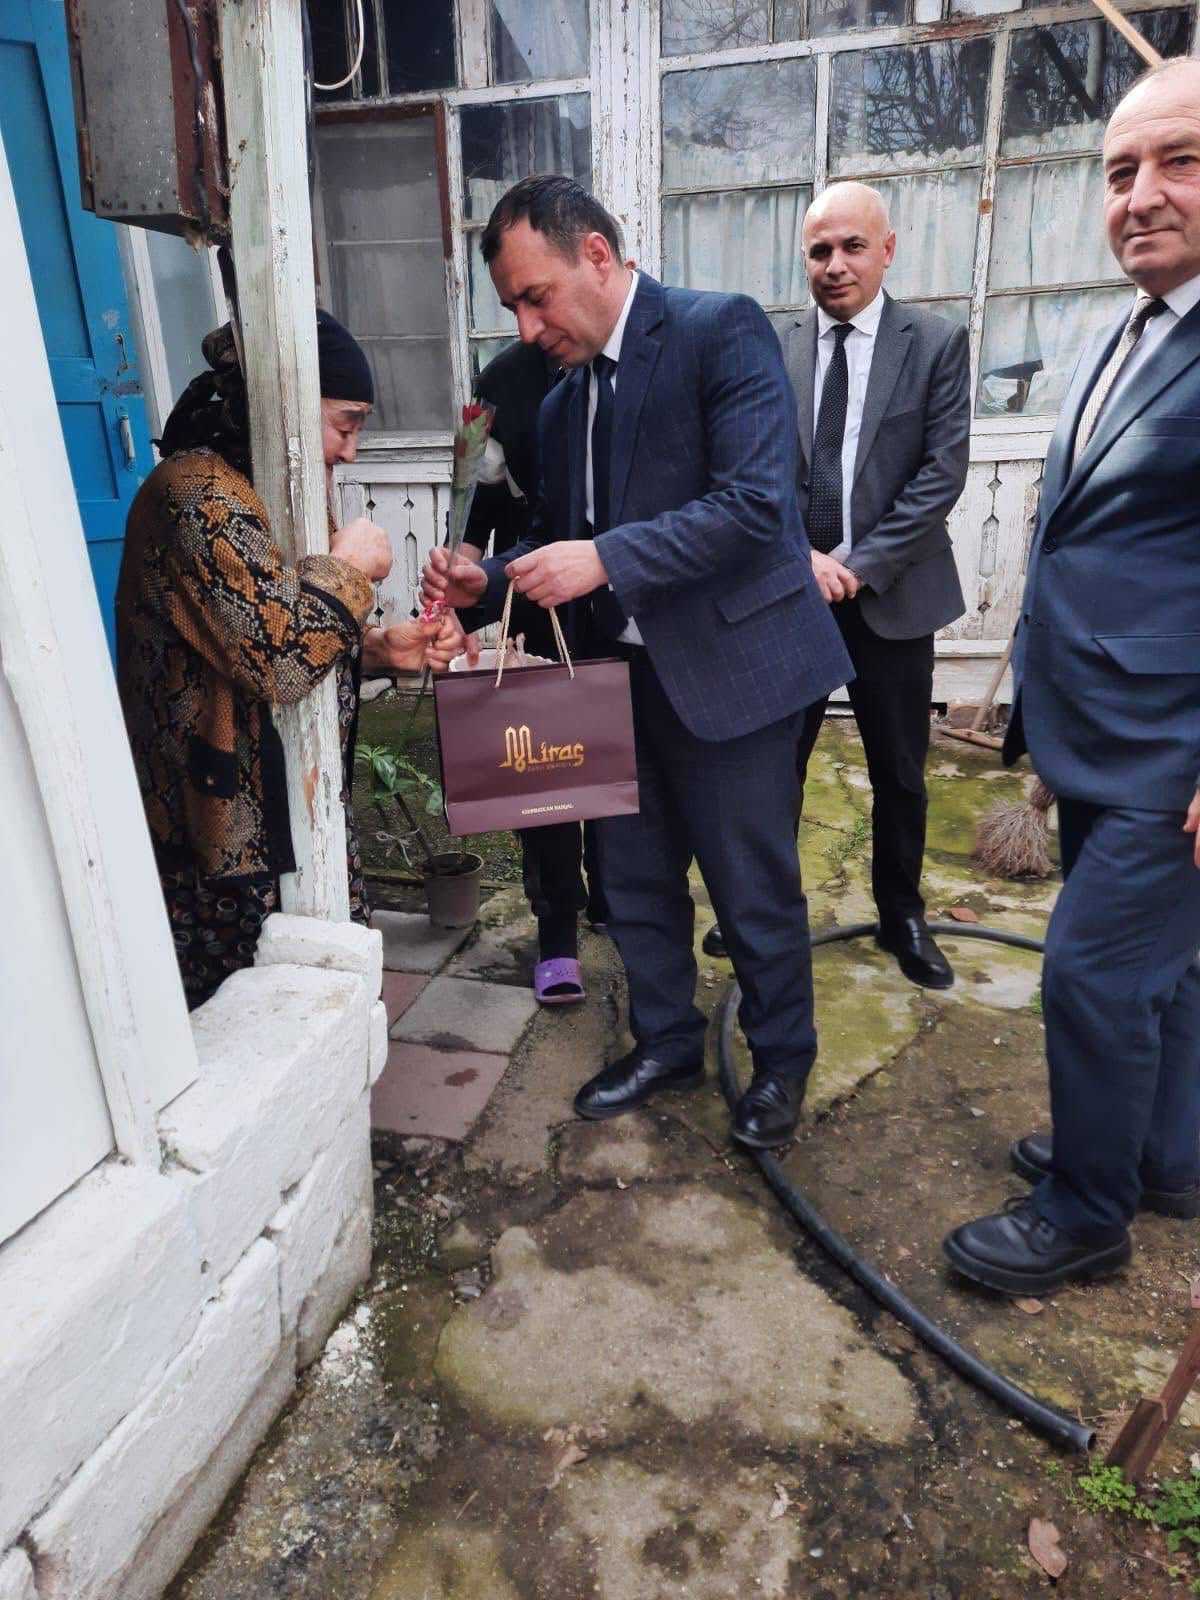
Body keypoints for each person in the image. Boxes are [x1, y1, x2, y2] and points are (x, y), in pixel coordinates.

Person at [423, 175, 851, 1149]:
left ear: (597, 256)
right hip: (616, 682)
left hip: (733, 676)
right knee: (634, 879)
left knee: (752, 888)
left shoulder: (718, 330)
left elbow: (755, 508)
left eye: (537, 297)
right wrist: (483, 581)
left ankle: (782, 1061)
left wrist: (607, 557)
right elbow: (556, 540)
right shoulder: (564, 401)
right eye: (513, 307)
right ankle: (665, 1042)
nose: (527, 328)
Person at [944, 58, 1200, 1296]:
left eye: (1180, 161)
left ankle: (1086, 1215)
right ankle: (1161, 1157)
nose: (1140, 195)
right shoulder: (1125, 328)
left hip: (1175, 752)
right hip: (1102, 726)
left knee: (1092, 974)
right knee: (1169, 971)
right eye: (1119, 172)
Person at [117, 311, 462, 1009]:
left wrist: (378, 649)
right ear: (289, 410)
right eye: (345, 425)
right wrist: (347, 571)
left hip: (298, 810)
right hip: (225, 834)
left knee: (332, 991)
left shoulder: (272, 488)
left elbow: (279, 632)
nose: (351, 453)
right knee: (256, 1011)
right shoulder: (196, 495)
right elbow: (277, 659)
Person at [705, 184, 970, 985]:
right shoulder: (770, 343)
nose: (835, 265)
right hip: (789, 595)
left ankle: (902, 915)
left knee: (899, 771)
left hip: (892, 594)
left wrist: (859, 567)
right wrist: (798, 557)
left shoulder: (935, 342)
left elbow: (940, 474)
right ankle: (760, 911)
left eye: (853, 246)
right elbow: (744, 464)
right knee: (773, 768)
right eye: (820, 250)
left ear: (887, 249)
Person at [460, 337, 608, 1006]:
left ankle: (612, 894)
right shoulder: (495, 380)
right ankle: (557, 933)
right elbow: (472, 499)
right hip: (531, 592)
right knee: (546, 770)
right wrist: (455, 594)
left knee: (610, 758)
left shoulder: (631, 360)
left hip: (623, 600)